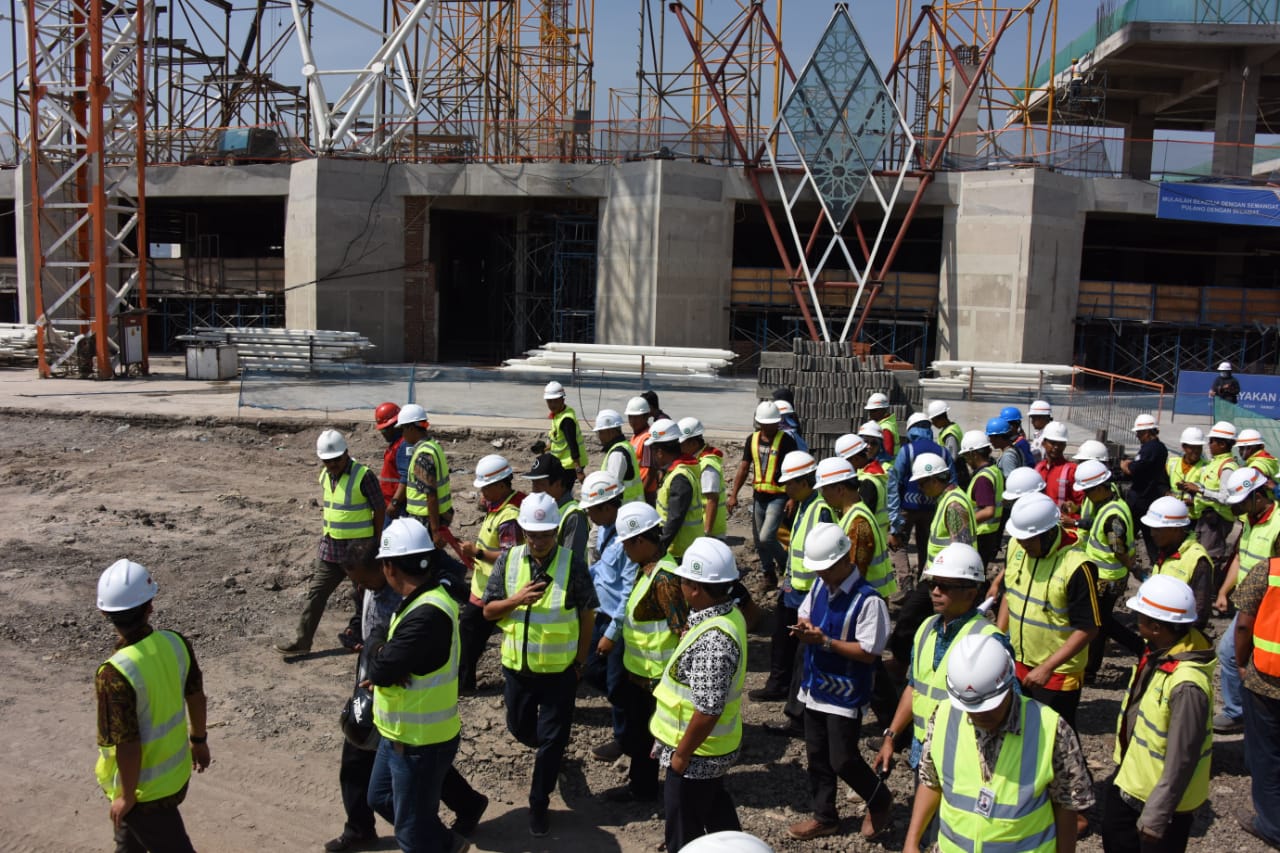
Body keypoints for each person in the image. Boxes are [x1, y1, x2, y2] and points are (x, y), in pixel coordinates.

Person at [331, 541, 487, 852]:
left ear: (386, 568)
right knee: (382, 791)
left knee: (411, 821)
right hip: (393, 715)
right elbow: (375, 640)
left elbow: (391, 659)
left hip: (413, 723)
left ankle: (434, 828)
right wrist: (362, 640)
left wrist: (378, 651)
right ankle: (440, 831)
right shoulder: (374, 588)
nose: (359, 586)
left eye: (363, 579)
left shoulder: (414, 602)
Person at [903, 632, 1094, 853]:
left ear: (1008, 684)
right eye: (971, 708)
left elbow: (1067, 805)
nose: (980, 715)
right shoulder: (944, 716)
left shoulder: (1049, 727)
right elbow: (930, 781)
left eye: (989, 706)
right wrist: (911, 842)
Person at [482, 492, 597, 837]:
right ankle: (550, 754)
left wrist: (580, 661)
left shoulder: (571, 564)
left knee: (552, 741)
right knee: (520, 728)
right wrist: (516, 599)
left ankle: (539, 803)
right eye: (533, 535)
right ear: (523, 532)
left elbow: (587, 613)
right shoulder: (509, 561)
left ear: (556, 532)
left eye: (546, 534)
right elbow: (488, 610)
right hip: (518, 670)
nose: (539, 542)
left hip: (560, 673)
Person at [363, 519, 467, 853]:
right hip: (397, 732)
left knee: (410, 835)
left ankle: (433, 842)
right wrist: (384, 656)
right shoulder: (418, 599)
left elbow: (379, 669)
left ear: (389, 566)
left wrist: (376, 644)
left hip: (420, 743)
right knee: (380, 797)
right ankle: (445, 843)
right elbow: (386, 664)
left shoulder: (427, 613)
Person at [785, 523, 893, 841]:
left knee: (842, 758)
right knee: (817, 755)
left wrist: (826, 642)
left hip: (845, 692)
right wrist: (805, 627)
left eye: (825, 568)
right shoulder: (820, 587)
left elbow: (869, 652)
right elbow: (806, 613)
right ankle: (824, 816)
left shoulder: (868, 601)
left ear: (844, 561)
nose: (819, 575)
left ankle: (879, 798)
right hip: (816, 685)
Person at [94, 559, 210, 853]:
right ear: (150, 607)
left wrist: (128, 795)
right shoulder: (175, 643)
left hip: (145, 794)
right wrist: (199, 740)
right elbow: (196, 696)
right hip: (174, 775)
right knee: (128, 842)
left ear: (105, 613)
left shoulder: (115, 672)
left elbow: (127, 741)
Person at [1102, 575, 1215, 853]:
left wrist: (1156, 817)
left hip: (1156, 801)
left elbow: (1182, 759)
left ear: (1155, 627)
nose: (1135, 622)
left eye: (1139, 617)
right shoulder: (1160, 653)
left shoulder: (1186, 686)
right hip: (1133, 781)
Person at [875, 544, 1008, 778]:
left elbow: (1004, 711)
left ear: (971, 591)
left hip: (964, 757)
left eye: (945, 586)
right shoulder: (926, 628)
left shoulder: (988, 641)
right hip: (922, 752)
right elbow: (915, 687)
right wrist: (891, 736)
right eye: (932, 584)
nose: (935, 591)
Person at [649, 537, 748, 852]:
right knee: (716, 812)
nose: (678, 584)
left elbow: (707, 710)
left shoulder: (714, 640)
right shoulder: (726, 616)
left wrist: (680, 756)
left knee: (684, 832)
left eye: (684, 580)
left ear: (696, 588)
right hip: (704, 752)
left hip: (696, 756)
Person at [277, 429, 385, 656]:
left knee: (367, 597)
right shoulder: (325, 476)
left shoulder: (364, 476)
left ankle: (374, 642)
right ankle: (302, 641)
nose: (333, 464)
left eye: (336, 459)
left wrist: (375, 544)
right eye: (327, 461)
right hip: (331, 548)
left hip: (358, 551)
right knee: (316, 593)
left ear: (346, 453)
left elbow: (380, 509)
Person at [999, 492, 1101, 727]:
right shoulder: (1018, 545)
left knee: (1056, 739)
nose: (1023, 546)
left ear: (1049, 532)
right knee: (1021, 733)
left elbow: (1088, 628)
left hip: (1057, 674)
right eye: (1020, 539)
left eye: (1029, 540)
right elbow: (1010, 592)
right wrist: (998, 633)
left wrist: (1047, 667)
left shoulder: (1077, 566)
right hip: (1019, 663)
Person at [607, 502, 683, 802]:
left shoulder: (665, 579)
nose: (624, 550)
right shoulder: (648, 570)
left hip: (658, 680)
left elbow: (682, 632)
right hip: (641, 676)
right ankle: (643, 787)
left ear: (641, 541)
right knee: (641, 739)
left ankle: (653, 791)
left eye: (627, 543)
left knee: (652, 739)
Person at [750, 450, 833, 706]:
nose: (785, 488)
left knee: (801, 649)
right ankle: (779, 685)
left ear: (805, 482)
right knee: (781, 640)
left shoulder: (820, 509)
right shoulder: (804, 505)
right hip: (793, 587)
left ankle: (796, 699)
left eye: (789, 482)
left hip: (808, 592)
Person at [1214, 467, 1280, 735]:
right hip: (1249, 605)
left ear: (1258, 496)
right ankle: (1241, 711)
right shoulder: (1250, 521)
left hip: (1269, 609)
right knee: (1232, 654)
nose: (1237, 509)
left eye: (1241, 503)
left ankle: (1243, 712)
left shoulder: (1277, 525)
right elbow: (1241, 557)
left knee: (1242, 657)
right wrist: (1223, 591)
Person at [1231, 488, 1280, 849]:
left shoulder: (1268, 571)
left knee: (1265, 756)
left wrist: (1241, 664)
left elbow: (1244, 624)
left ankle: (1272, 825)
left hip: (1265, 679)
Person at [578, 472, 637, 764]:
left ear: (607, 506)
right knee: (591, 671)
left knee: (616, 683)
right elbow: (603, 570)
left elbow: (628, 592)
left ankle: (626, 737)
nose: (588, 514)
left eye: (591, 509)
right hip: (600, 614)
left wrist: (612, 633)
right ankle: (630, 709)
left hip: (618, 624)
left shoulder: (627, 537)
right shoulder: (603, 530)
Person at [457, 455, 524, 692]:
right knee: (468, 634)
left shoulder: (509, 516)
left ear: (501, 485)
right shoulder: (499, 507)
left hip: (494, 590)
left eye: (486, 487)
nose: (482, 492)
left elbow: (511, 556)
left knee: (469, 635)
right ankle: (464, 680)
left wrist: (478, 553)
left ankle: (463, 684)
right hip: (483, 586)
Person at [1077, 459, 1140, 684]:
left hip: (1107, 579)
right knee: (1101, 624)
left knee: (1100, 624)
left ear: (1099, 488)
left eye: (1087, 491)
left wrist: (1131, 564)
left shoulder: (1112, 516)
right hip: (1107, 577)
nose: (1085, 496)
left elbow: (1118, 548)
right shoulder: (1110, 504)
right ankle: (1091, 669)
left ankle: (1138, 648)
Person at [727, 401, 798, 590]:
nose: (769, 427)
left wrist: (793, 497)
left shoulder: (786, 441)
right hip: (759, 496)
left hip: (779, 496)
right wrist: (733, 494)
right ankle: (769, 575)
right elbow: (744, 467)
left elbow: (794, 471)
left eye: (772, 423)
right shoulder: (753, 440)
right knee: (759, 540)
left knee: (767, 537)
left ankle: (786, 565)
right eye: (765, 424)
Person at [815, 456, 894, 596]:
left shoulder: (858, 522)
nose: (823, 495)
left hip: (863, 601)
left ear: (839, 489)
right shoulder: (852, 515)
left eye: (824, 490)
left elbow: (854, 572)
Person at [887, 413, 954, 577]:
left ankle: (904, 584)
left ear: (910, 431)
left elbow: (893, 484)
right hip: (932, 510)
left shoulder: (907, 451)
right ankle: (925, 582)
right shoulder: (944, 452)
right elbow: (952, 484)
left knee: (898, 545)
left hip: (906, 509)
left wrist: (894, 521)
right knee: (927, 545)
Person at [1179, 421, 1239, 590]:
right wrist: (1194, 495)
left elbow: (1227, 498)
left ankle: (1207, 592)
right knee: (1198, 554)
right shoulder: (1214, 463)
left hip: (1216, 521)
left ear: (1221, 444)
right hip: (1205, 517)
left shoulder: (1227, 467)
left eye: (1212, 441)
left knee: (1209, 557)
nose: (1209, 445)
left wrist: (1201, 490)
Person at [1142, 496, 1213, 632]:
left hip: (1176, 641)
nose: (1152, 534)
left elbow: (1200, 613)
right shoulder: (1166, 549)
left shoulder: (1197, 560)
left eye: (1158, 529)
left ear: (1176, 529)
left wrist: (1178, 644)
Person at [648, 418, 706, 560]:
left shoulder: (679, 477)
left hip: (680, 550)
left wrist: (660, 547)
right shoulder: (677, 472)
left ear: (660, 452)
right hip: (683, 546)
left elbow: (675, 518)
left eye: (653, 451)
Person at [396, 404, 454, 543]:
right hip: (440, 514)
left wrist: (435, 531)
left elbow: (431, 495)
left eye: (403, 429)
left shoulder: (423, 455)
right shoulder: (433, 446)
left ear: (411, 427)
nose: (402, 434)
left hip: (425, 520)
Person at [1121, 414, 1170, 561]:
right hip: (1148, 499)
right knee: (1149, 538)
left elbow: (1133, 469)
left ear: (1147, 432)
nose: (1137, 436)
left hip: (1142, 500)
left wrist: (1124, 465)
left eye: (1139, 433)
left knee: (1129, 534)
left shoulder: (1151, 448)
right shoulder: (1157, 448)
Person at [525, 454, 589, 564]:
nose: (534, 491)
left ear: (558, 484)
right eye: (533, 484)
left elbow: (570, 563)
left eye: (539, 484)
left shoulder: (573, 516)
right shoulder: (542, 512)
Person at [960, 431, 1005, 567]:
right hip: (989, 533)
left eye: (966, 456)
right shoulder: (994, 470)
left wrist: (963, 522)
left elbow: (988, 511)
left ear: (974, 454)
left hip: (980, 535)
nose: (966, 461)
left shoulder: (983, 478)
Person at [679, 417, 728, 538]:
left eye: (682, 444)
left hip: (709, 531)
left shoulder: (707, 465)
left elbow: (712, 499)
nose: (679, 448)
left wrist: (706, 533)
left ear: (694, 443)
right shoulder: (697, 460)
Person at [840, 431, 890, 537]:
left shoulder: (867, 482)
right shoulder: (875, 474)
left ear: (856, 459)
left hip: (868, 541)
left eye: (846, 462)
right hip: (878, 536)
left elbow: (862, 519)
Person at [539, 380, 588, 480]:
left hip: (570, 465)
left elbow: (572, 445)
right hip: (562, 463)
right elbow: (559, 441)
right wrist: (544, 448)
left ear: (562, 399)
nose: (552, 404)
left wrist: (578, 470)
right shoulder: (559, 415)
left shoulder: (566, 420)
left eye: (555, 400)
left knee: (561, 492)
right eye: (549, 401)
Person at [592, 409, 643, 502]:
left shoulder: (617, 454)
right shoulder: (625, 445)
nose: (599, 437)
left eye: (601, 432)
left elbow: (611, 487)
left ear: (610, 431)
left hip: (625, 509)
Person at [1035, 422, 1081, 518]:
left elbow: (1082, 503)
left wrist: (1074, 508)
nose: (1056, 447)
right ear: (1043, 443)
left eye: (1060, 444)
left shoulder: (1072, 471)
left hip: (1065, 529)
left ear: (1065, 445)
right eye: (1052, 443)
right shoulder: (1039, 469)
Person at [626, 395, 659, 504]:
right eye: (630, 417)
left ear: (646, 417)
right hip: (638, 491)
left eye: (636, 417)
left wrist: (641, 494)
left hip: (646, 493)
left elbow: (652, 470)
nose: (632, 421)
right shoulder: (636, 436)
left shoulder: (647, 438)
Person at [374, 402, 404, 507]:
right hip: (389, 502)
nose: (382, 433)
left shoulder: (402, 446)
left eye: (384, 429)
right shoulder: (394, 445)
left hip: (397, 505)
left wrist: (394, 503)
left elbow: (406, 479)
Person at [927, 401, 964, 478]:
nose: (933, 424)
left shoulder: (949, 435)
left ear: (940, 418)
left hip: (956, 471)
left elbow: (952, 458)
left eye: (934, 420)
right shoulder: (953, 427)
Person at [1166, 428, 1206, 498]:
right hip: (1174, 507)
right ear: (1184, 447)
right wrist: (1167, 493)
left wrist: (1193, 500)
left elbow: (1208, 493)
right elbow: (1161, 484)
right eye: (1192, 448)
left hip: (1195, 509)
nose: (1196, 451)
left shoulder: (1207, 467)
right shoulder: (1171, 463)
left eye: (1199, 447)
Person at [988, 416, 1025, 483]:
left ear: (999, 437)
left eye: (991, 437)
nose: (990, 441)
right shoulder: (1015, 449)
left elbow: (1011, 481)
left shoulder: (1008, 457)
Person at [865, 392, 899, 460]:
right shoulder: (889, 422)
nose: (871, 414)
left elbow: (888, 453)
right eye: (869, 411)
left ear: (883, 410)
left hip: (886, 466)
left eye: (874, 411)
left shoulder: (884, 428)